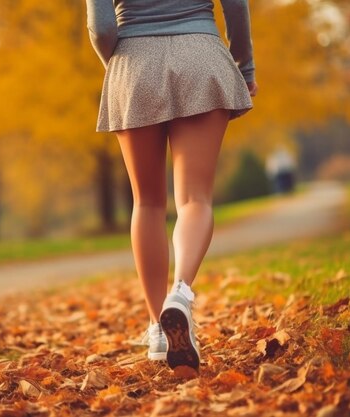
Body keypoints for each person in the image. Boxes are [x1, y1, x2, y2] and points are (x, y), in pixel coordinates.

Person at [85, 0, 257, 373]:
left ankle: (157, 331)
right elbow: (236, 6)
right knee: (195, 198)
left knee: (146, 204)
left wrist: (119, 67)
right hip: (201, 52)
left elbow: (100, 28)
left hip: (133, 60)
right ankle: (180, 293)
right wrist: (245, 65)